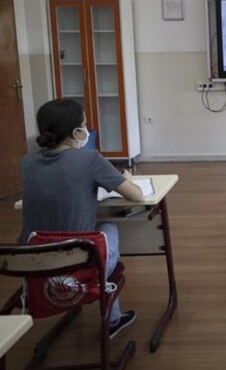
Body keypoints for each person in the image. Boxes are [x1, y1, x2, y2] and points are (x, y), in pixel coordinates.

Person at [20, 98, 144, 339]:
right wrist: (126, 178)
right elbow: (136, 195)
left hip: (30, 264)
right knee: (107, 226)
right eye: (85, 125)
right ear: (76, 132)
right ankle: (112, 321)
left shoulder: (27, 163)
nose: (87, 130)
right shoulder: (89, 160)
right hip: (78, 265)